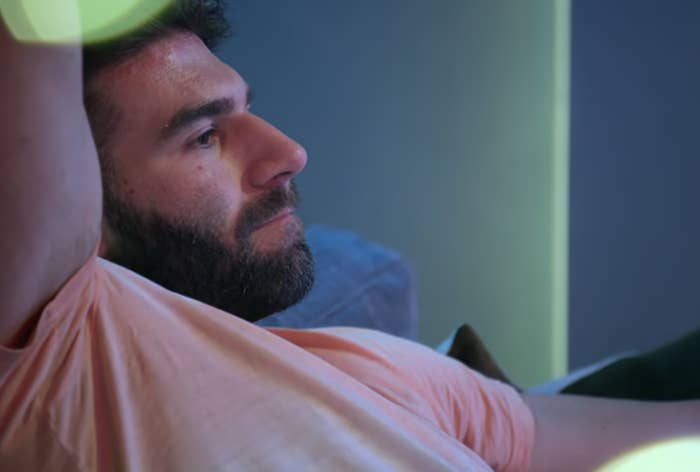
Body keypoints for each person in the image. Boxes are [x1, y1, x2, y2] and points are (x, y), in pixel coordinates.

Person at [1, 1, 698, 471]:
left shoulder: (368, 368)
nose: (289, 153)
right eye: (204, 136)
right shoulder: (58, 356)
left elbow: (567, 439)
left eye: (249, 112)